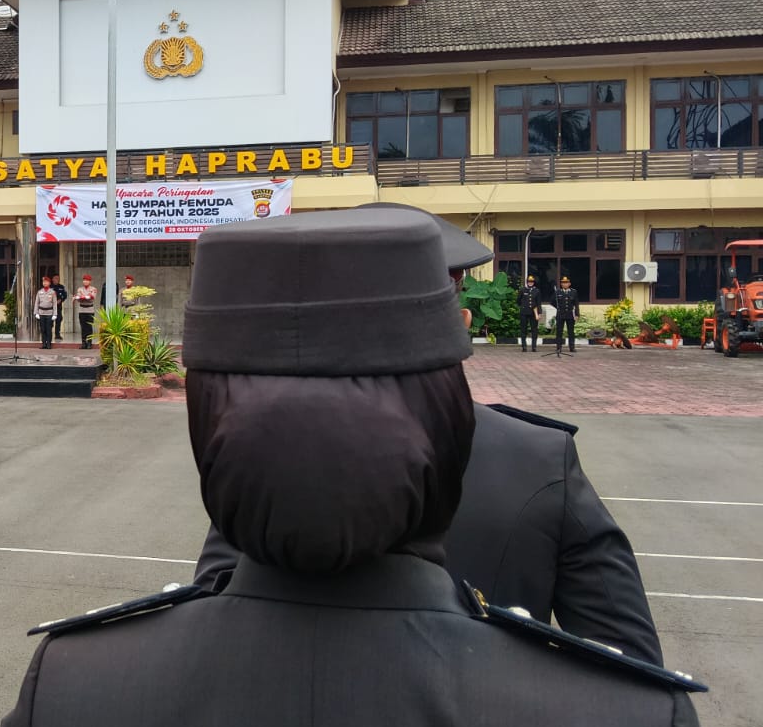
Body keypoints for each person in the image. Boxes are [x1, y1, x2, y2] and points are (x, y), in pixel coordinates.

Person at [0, 208, 761, 727]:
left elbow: (221, 576)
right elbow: (624, 643)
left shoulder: (72, 702)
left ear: (210, 430)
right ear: (451, 419)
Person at [195, 206, 663, 662]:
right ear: (457, 326)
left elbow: (211, 609)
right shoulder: (539, 459)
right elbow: (630, 669)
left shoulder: (254, 449)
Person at [554, 273, 581, 355]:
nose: (564, 284)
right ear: (561, 284)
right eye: (563, 283)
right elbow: (552, 301)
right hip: (560, 314)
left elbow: (576, 304)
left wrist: (577, 314)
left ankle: (572, 347)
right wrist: (558, 307)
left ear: (569, 284)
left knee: (571, 332)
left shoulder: (574, 292)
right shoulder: (557, 292)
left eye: (566, 283)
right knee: (559, 332)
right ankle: (558, 348)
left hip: (570, 314)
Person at [518, 273, 544, 352]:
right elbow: (518, 300)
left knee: (534, 330)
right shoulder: (522, 290)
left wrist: (539, 313)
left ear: (534, 282)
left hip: (533, 312)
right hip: (524, 312)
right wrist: (523, 306)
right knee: (523, 329)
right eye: (529, 281)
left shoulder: (537, 291)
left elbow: (539, 303)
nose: (530, 283)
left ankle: (534, 347)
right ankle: (524, 346)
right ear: (527, 282)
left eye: (532, 281)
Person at [32, 276, 58, 349]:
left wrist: (55, 314)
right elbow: (36, 303)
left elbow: (55, 303)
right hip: (41, 313)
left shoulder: (52, 292)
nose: (45, 283)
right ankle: (44, 344)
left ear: (49, 283)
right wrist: (36, 313)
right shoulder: (39, 292)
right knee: (42, 329)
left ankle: (49, 344)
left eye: (46, 282)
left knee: (48, 329)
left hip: (49, 313)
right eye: (44, 282)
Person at [73, 275, 98, 349]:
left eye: (87, 280)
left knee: (89, 327)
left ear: (90, 281)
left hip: (89, 310)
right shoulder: (80, 289)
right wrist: (84, 297)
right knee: (83, 327)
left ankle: (89, 343)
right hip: (82, 310)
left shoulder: (93, 289)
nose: (85, 282)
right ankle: (83, 343)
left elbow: (92, 297)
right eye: (84, 280)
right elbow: (78, 299)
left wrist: (83, 297)